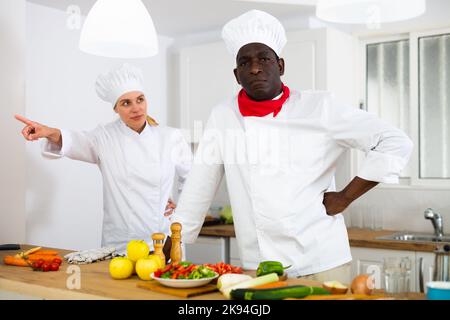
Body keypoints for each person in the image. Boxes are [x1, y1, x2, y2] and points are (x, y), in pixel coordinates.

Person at [171, 10, 413, 282]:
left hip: (322, 260)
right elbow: (199, 186)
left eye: (263, 58)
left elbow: (394, 141)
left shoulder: (319, 108)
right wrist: (171, 243)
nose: (254, 68)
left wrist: (344, 197)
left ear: (281, 65)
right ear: (236, 74)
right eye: (245, 62)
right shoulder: (223, 116)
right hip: (260, 263)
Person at [15, 63, 192, 254]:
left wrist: (181, 206)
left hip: (163, 242)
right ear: (116, 108)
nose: (136, 108)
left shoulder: (170, 137)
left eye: (140, 100)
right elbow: (74, 140)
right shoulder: (104, 137)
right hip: (120, 244)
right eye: (126, 103)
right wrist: (48, 131)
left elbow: (193, 178)